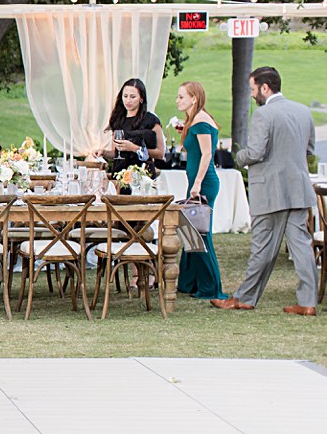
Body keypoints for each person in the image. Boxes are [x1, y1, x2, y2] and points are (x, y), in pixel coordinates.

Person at [212, 66, 318, 316]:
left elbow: (256, 152)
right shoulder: (303, 111)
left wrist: (238, 156)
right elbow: (310, 150)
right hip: (298, 189)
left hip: (271, 191)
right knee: (301, 247)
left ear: (265, 87)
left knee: (261, 247)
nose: (252, 94)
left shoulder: (264, 114)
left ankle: (244, 298)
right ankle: (308, 302)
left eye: (252, 89)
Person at [172, 82, 228, 301]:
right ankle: (189, 282)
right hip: (196, 181)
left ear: (194, 98)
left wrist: (196, 184)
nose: (177, 100)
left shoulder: (202, 120)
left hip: (203, 183)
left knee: (200, 234)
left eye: (181, 97)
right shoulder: (194, 121)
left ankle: (210, 287)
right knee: (190, 230)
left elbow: (206, 155)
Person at [101, 78, 165, 174]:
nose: (128, 100)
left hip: (142, 175)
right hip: (120, 173)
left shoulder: (151, 120)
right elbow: (117, 153)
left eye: (133, 97)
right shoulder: (118, 120)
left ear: (141, 99)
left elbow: (160, 154)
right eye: (125, 96)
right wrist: (104, 153)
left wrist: (134, 148)